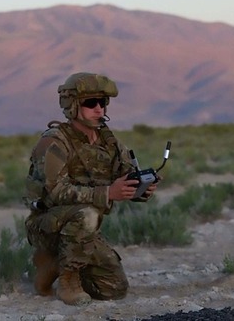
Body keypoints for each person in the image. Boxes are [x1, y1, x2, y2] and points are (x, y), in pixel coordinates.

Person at [24, 72, 158, 305]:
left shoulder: (109, 143)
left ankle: (53, 265)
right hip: (48, 226)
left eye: (102, 103)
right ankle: (68, 282)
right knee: (88, 214)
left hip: (83, 231)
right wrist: (107, 193)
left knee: (113, 289)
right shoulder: (54, 142)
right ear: (72, 104)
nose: (99, 109)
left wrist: (140, 188)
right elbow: (56, 192)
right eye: (90, 103)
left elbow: (123, 177)